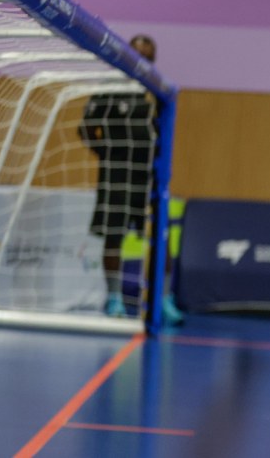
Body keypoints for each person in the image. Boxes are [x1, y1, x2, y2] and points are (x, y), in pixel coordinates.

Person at [79, 34, 183, 325]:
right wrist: (105, 154)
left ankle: (164, 300)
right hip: (116, 177)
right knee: (114, 237)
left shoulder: (158, 91)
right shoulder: (109, 88)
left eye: (147, 57)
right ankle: (113, 298)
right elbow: (85, 128)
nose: (141, 61)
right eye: (136, 54)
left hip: (149, 177)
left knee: (160, 237)